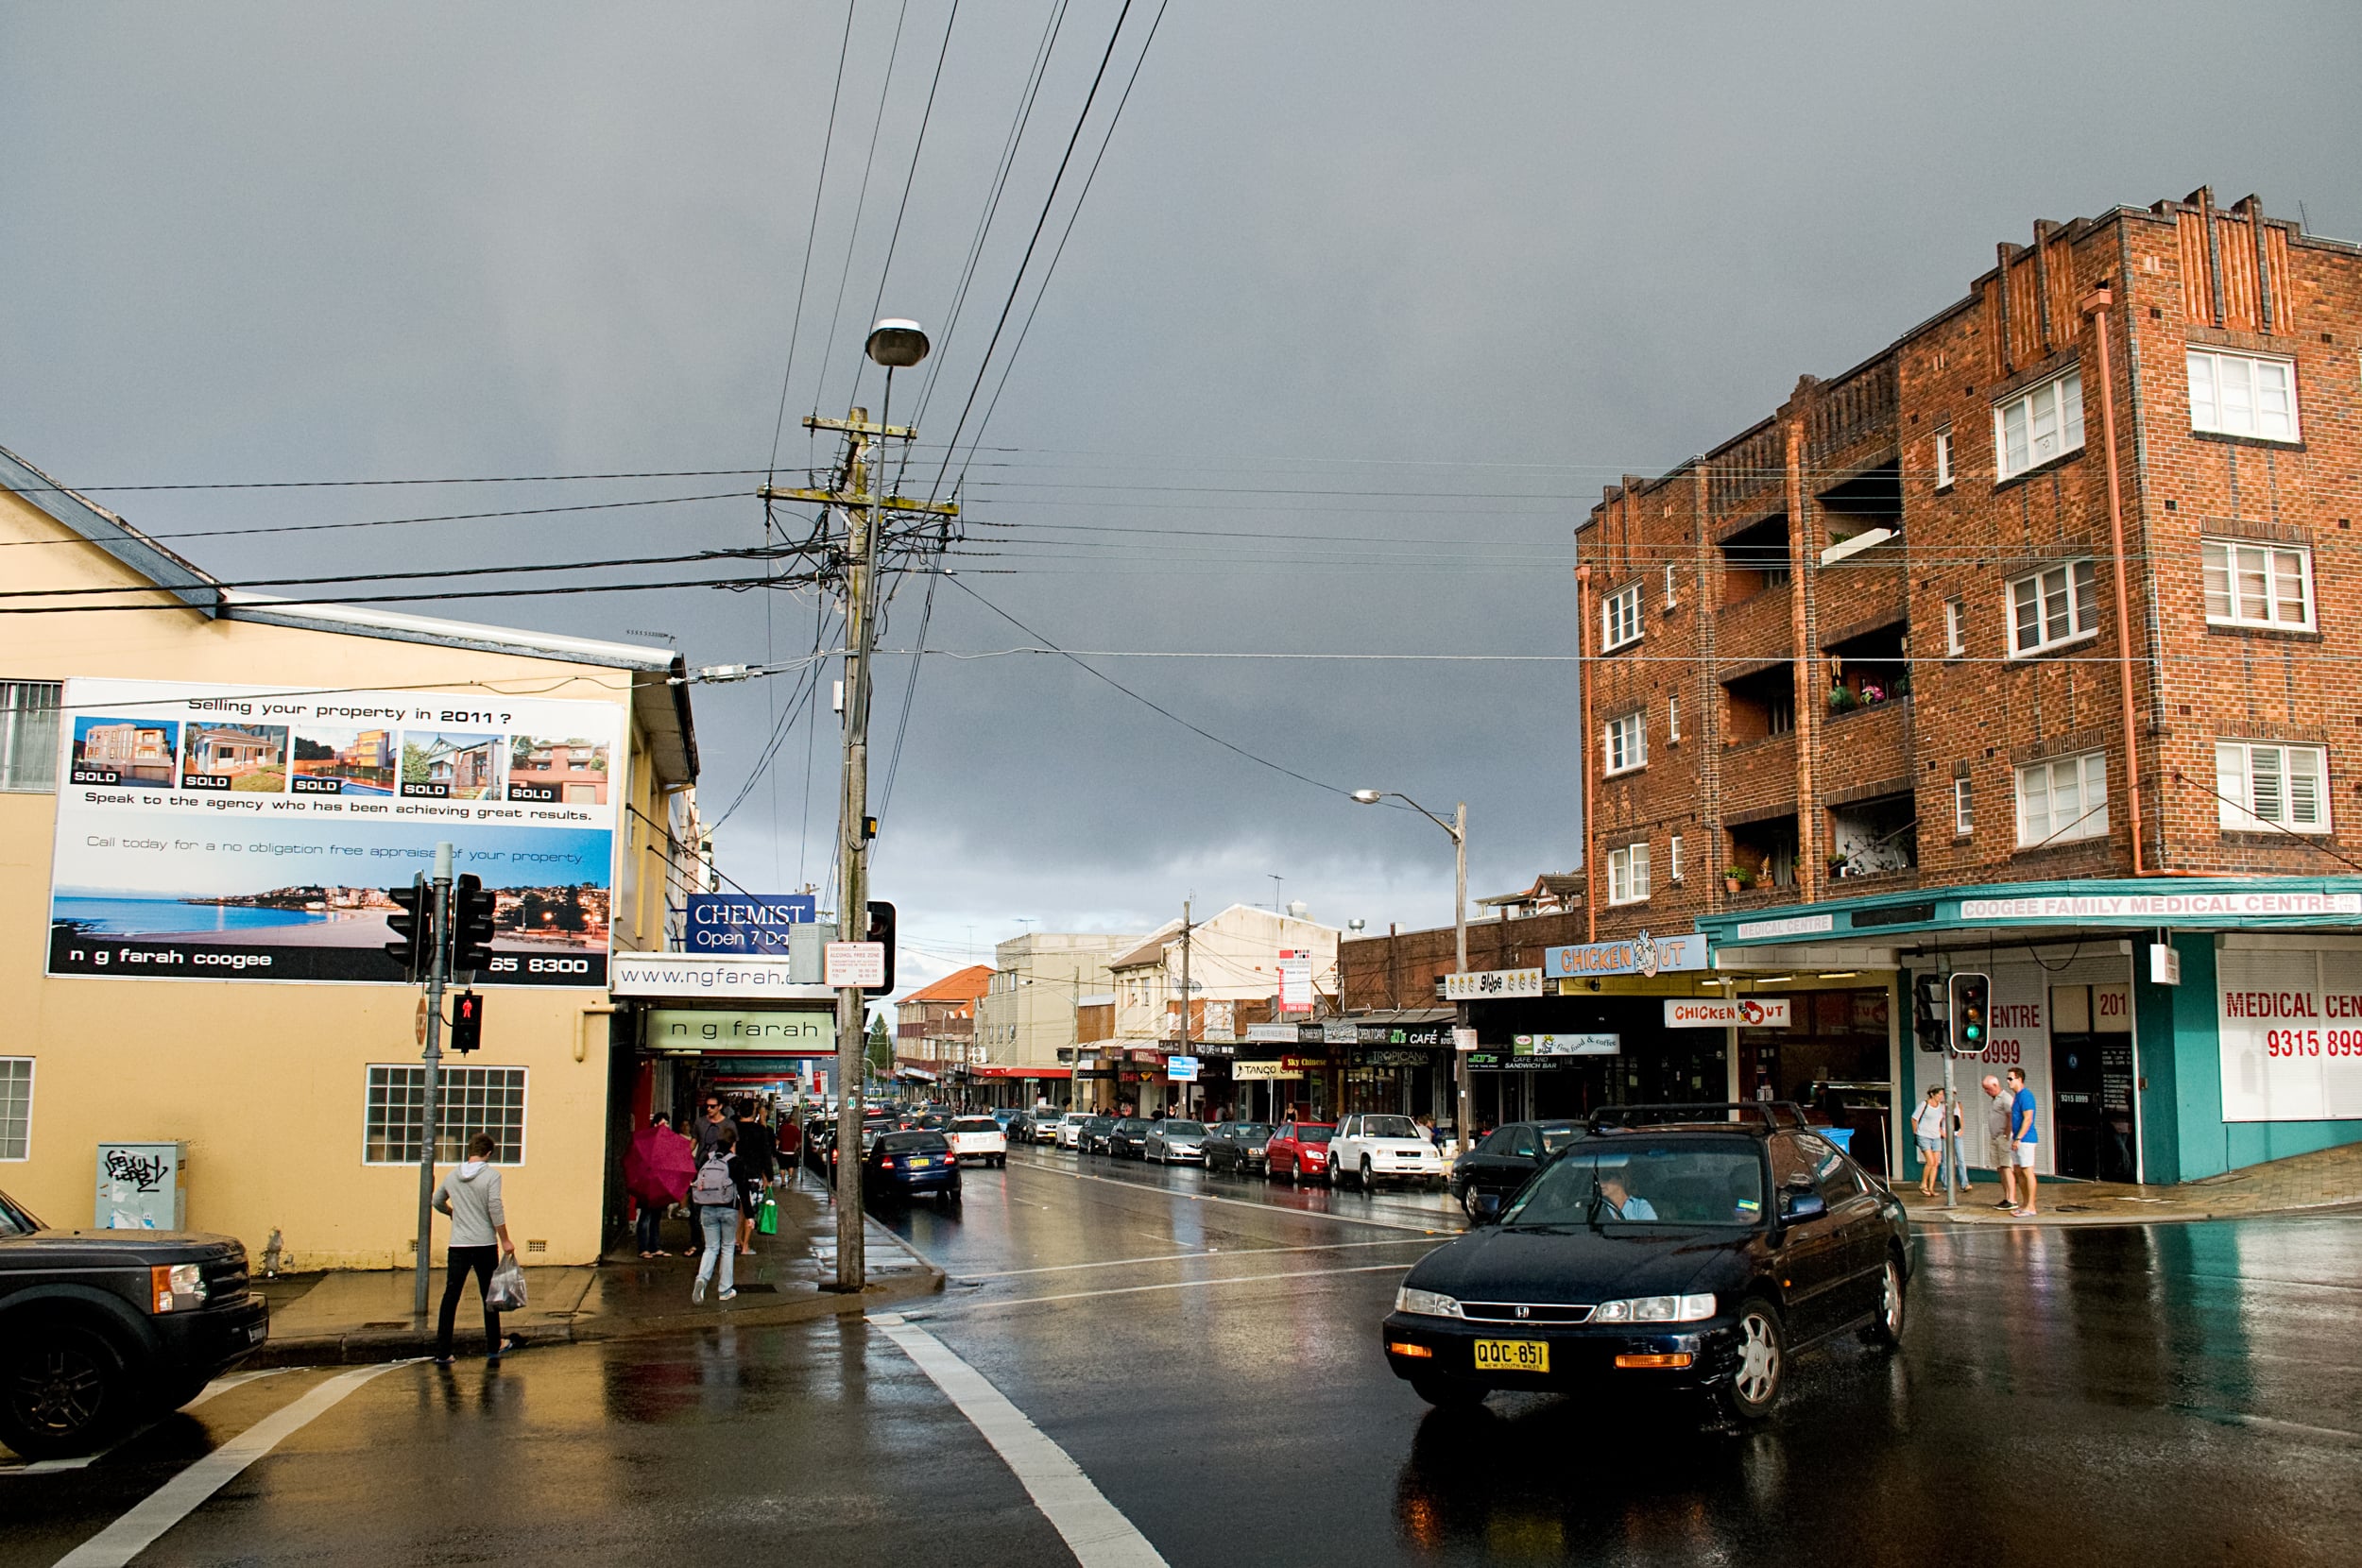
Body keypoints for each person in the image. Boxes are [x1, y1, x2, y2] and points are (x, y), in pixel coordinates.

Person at [431, 1133, 516, 1365]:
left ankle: (443, 1351)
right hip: (484, 1244)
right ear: (489, 1153)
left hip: (458, 1244)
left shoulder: (452, 1176)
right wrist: (505, 1239)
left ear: (470, 1151)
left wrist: (452, 1213)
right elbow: (495, 1208)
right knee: (489, 1296)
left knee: (451, 1296)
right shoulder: (491, 1176)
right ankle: (493, 1344)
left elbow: (436, 1201)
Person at [688, 1126, 746, 1304]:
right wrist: (750, 1215)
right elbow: (743, 1189)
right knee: (727, 1248)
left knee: (711, 1248)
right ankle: (725, 1289)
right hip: (728, 1208)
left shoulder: (708, 1158)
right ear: (733, 1143)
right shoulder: (736, 1161)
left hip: (707, 1208)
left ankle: (701, 1279)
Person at [631, 1113, 686, 1258]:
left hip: (660, 1183)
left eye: (667, 1123)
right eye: (664, 1123)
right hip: (647, 1182)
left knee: (656, 1217)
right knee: (645, 1216)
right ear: (655, 1125)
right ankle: (643, 1248)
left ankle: (655, 1246)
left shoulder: (668, 1142)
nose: (666, 1126)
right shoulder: (647, 1141)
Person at [735, 1100, 777, 1254]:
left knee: (738, 1208)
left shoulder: (733, 1128)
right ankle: (745, 1245)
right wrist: (768, 1177)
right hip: (753, 1175)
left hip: (734, 1173)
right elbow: (766, 1155)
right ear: (754, 1113)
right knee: (749, 1210)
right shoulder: (760, 1131)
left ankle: (736, 1239)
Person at [2007, 1066, 2040, 1217]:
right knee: (2018, 1171)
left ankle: (2031, 1206)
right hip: (2017, 1138)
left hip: (2026, 1139)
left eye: (2010, 1079)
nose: (2008, 1082)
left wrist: (2019, 1137)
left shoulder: (2026, 1096)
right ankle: (2025, 1204)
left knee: (2027, 1171)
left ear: (2019, 1079)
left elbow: (2028, 1118)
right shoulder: (2017, 1096)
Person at [1982, 1076, 2018, 1210]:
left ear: (1996, 1085)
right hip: (1995, 1137)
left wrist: (2006, 1135)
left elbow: (2011, 1117)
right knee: (2000, 1168)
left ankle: (2012, 1198)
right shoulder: (1995, 1100)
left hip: (2003, 1138)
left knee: (2007, 1167)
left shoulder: (2005, 1098)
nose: (1986, 1092)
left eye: (1988, 1089)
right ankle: (2007, 1196)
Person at [1910, 1087, 1947, 1196]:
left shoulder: (1941, 1107)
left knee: (1935, 1163)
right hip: (1924, 1135)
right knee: (1930, 1161)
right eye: (1939, 1094)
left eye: (1942, 1095)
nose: (1941, 1097)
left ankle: (1931, 1188)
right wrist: (1916, 1132)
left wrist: (1942, 1132)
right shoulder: (1924, 1104)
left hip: (1936, 1136)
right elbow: (1914, 1118)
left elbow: (1938, 1122)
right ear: (1932, 1094)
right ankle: (1923, 1184)